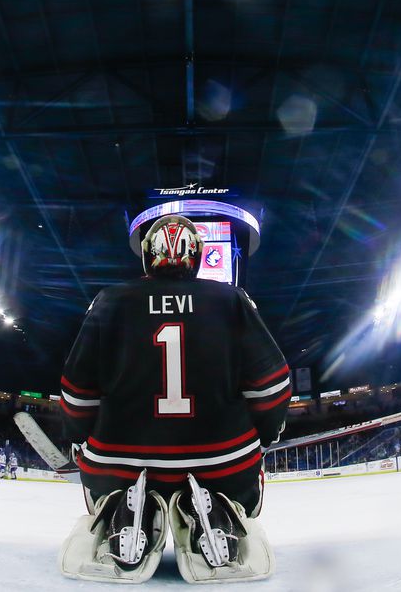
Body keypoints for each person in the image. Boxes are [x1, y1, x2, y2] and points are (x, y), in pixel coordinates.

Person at [56, 215, 287, 584]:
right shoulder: (232, 300)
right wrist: (265, 436)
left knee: (101, 460)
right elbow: (272, 389)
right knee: (243, 460)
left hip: (118, 465)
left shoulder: (109, 300)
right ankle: (217, 513)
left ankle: (124, 511)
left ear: (147, 257)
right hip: (223, 465)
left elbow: (76, 394)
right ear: (197, 256)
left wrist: (78, 439)